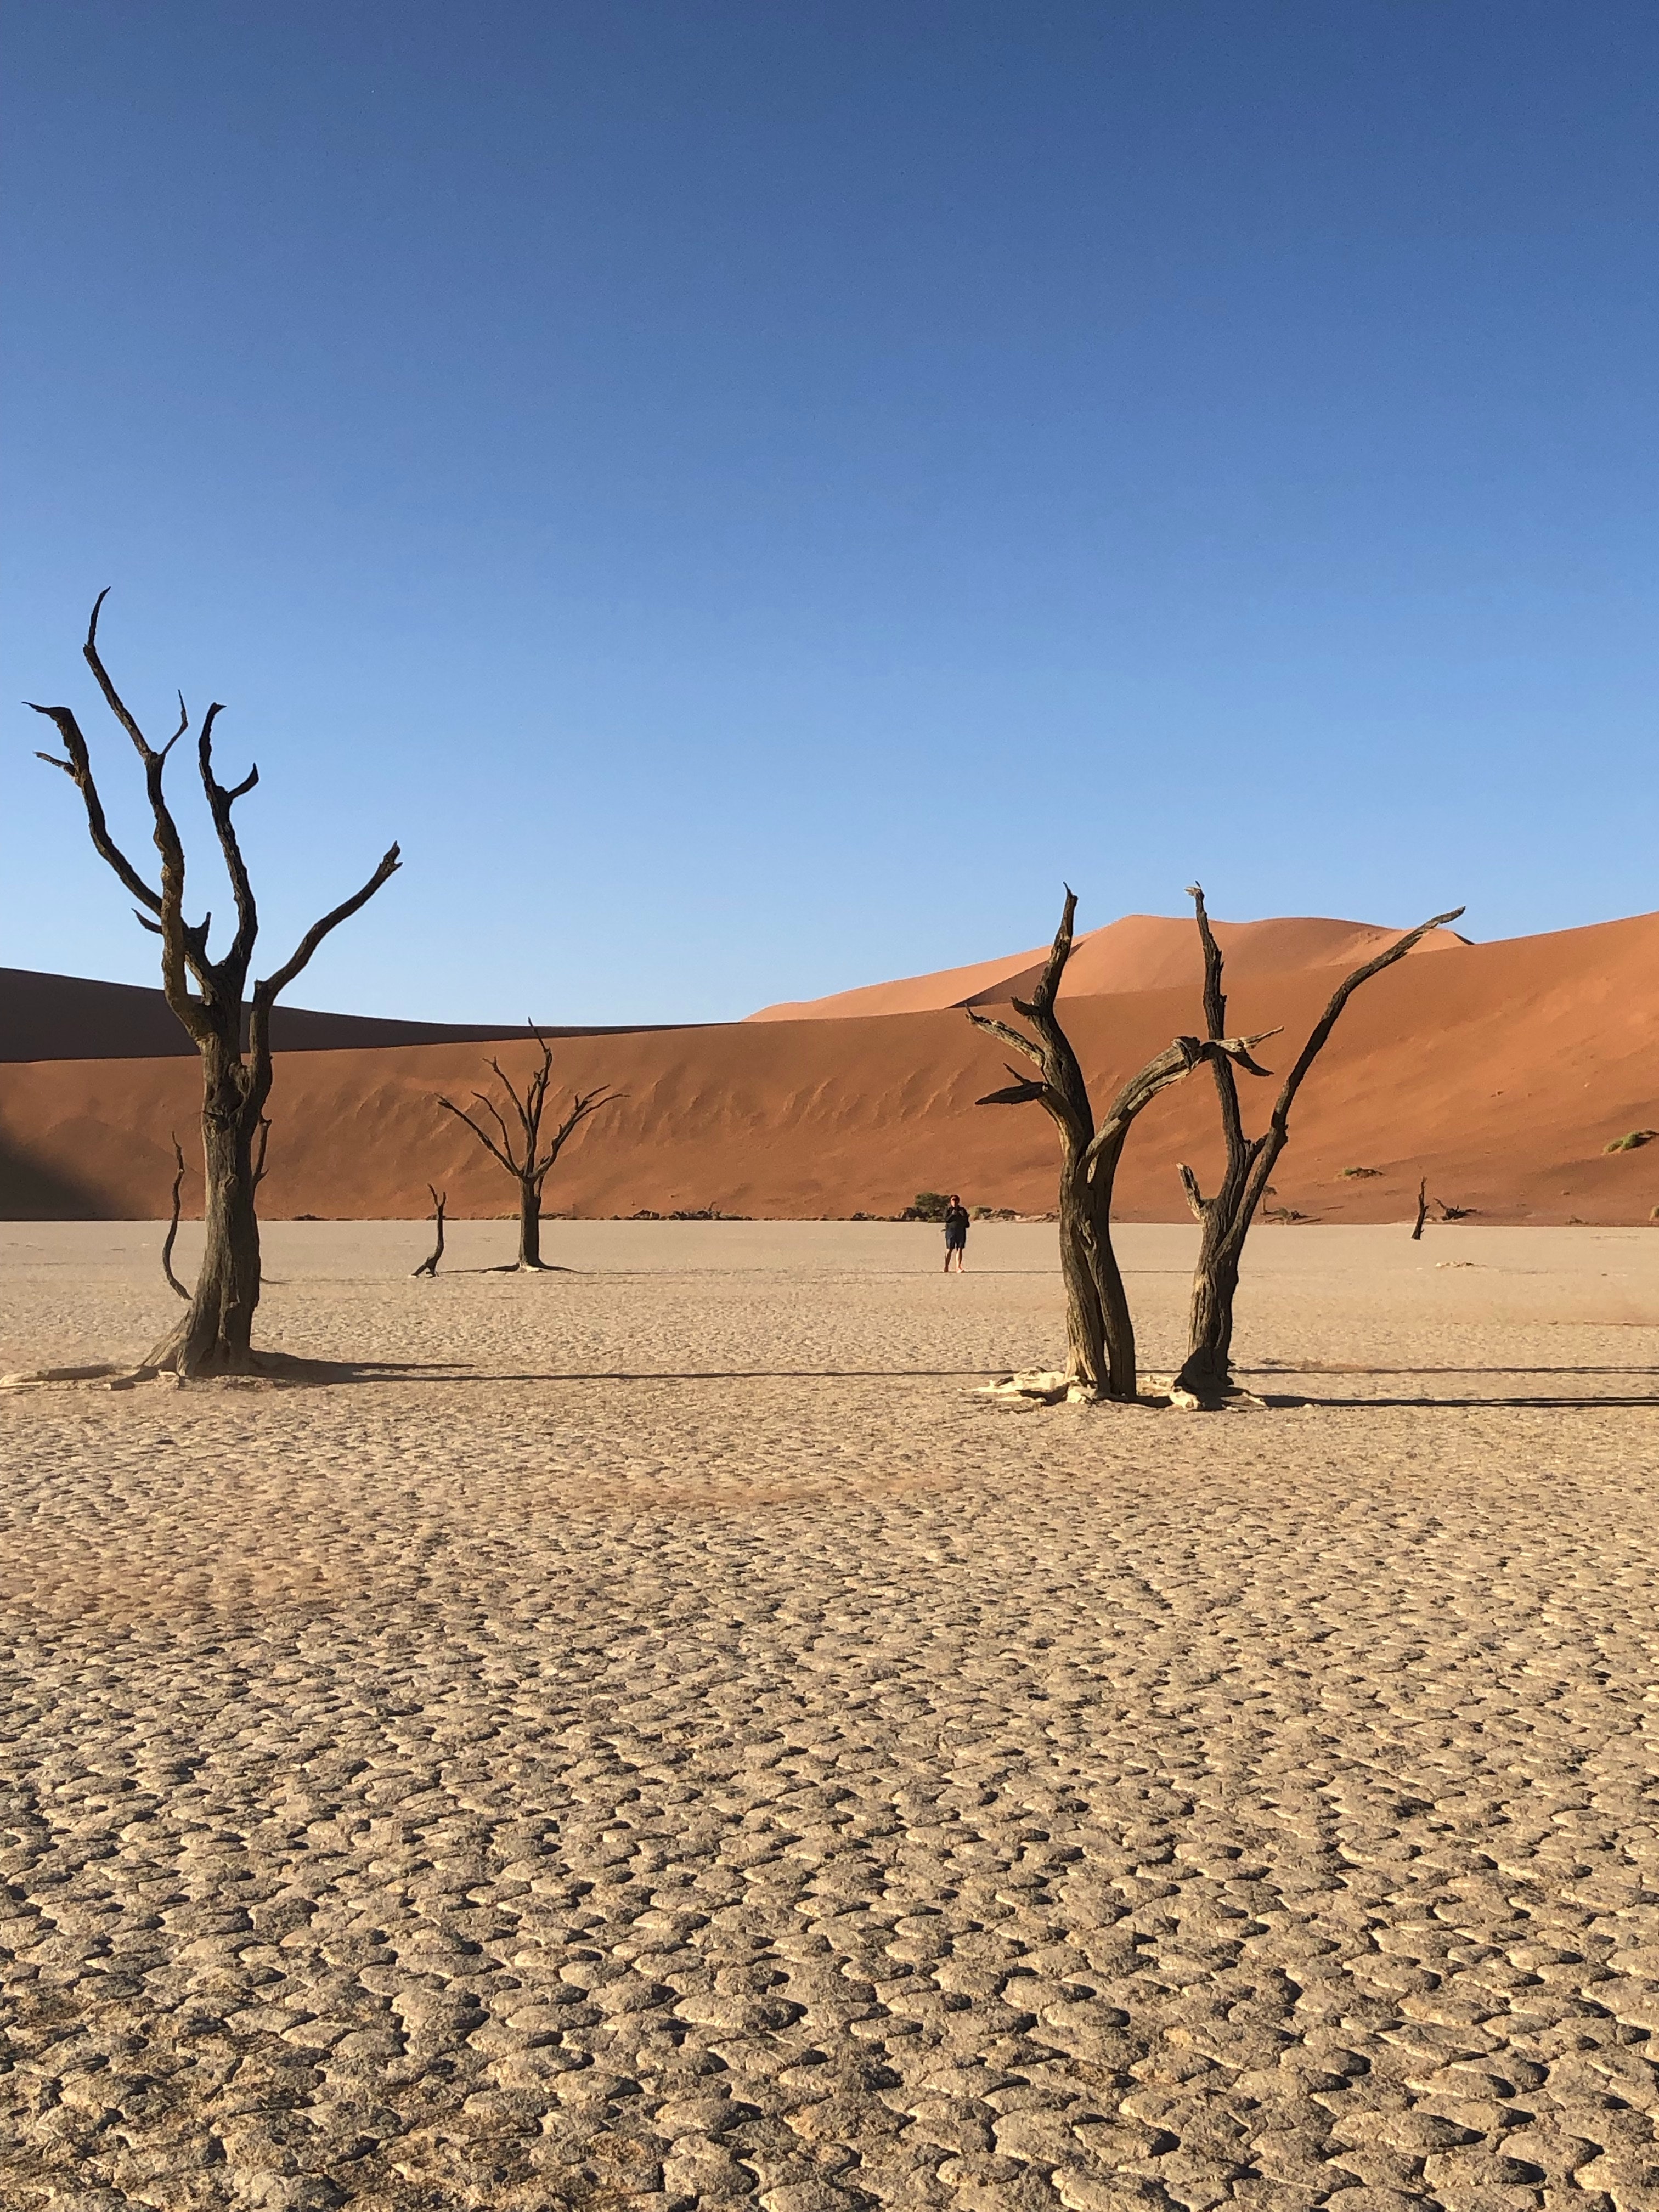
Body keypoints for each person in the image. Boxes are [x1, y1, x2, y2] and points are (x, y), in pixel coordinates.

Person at [942, 1194, 970, 1273]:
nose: (955, 1202)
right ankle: (946, 1267)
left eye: (956, 1200)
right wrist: (952, 1215)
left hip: (961, 1231)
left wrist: (963, 1216)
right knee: (950, 1249)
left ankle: (958, 1267)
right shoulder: (948, 1210)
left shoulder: (962, 1210)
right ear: (951, 1201)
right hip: (951, 1232)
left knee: (960, 1249)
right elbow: (946, 1220)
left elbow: (966, 1221)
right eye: (953, 1200)